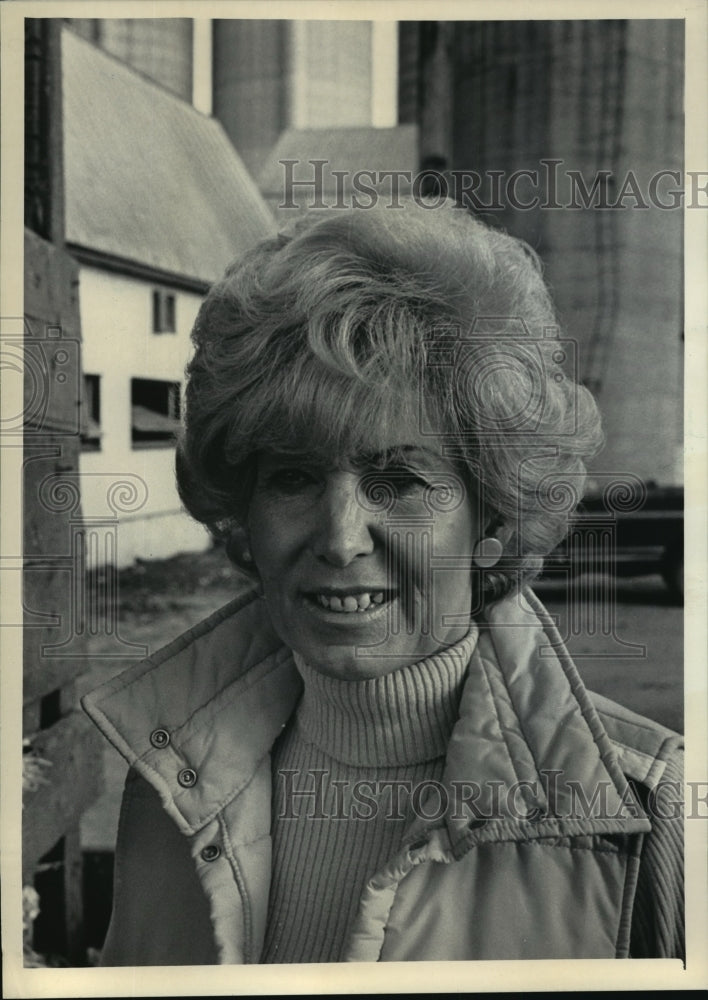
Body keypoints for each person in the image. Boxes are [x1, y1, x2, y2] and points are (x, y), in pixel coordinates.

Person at [82, 200, 684, 965]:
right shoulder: (165, 782)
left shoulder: (645, 816)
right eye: (294, 477)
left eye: (398, 480)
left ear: (492, 515)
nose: (338, 539)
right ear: (244, 508)